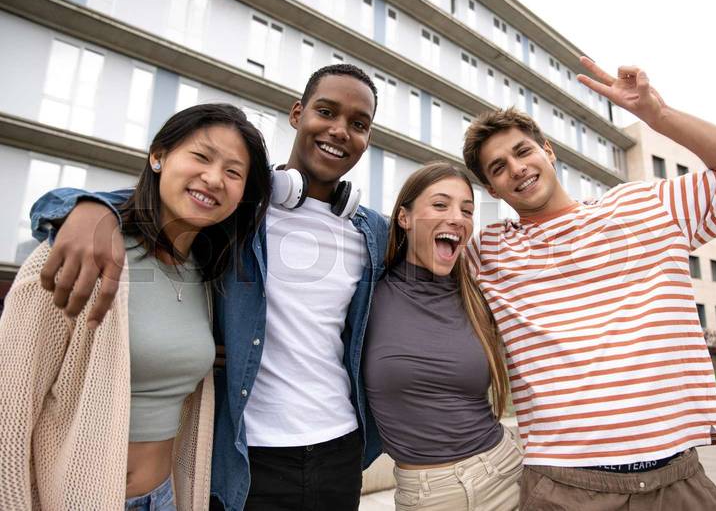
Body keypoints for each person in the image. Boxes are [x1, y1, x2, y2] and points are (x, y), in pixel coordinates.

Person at [25, 64, 388, 511]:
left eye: (358, 124)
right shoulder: (238, 213)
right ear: (297, 114)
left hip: (340, 447)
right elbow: (158, 199)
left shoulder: (371, 232)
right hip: (245, 453)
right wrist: (85, 207)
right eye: (326, 111)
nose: (339, 131)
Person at [461, 57, 716, 510]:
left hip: (677, 481)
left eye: (522, 151)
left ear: (547, 151)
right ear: (493, 191)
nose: (515, 169)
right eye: (497, 168)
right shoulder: (488, 251)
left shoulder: (644, 206)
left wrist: (657, 116)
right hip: (563, 487)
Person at [0, 103, 270, 510]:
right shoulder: (80, 255)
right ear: (158, 157)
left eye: (233, 173)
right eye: (200, 156)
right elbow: (10, 410)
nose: (214, 179)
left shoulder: (207, 276)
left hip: (164, 497)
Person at [364, 162, 522, 510]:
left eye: (467, 210)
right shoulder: (365, 296)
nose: (457, 218)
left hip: (507, 473)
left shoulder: (480, 295)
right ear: (404, 218)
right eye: (440, 205)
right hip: (427, 495)